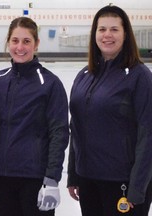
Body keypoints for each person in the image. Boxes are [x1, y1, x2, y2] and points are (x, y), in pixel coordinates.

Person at [67, 4, 152, 216]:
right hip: (88, 180)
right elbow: (76, 127)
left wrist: (137, 187)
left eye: (114, 29)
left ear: (125, 34)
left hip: (123, 182)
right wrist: (73, 174)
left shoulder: (139, 76)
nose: (107, 35)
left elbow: (148, 134)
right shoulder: (84, 75)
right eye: (101, 29)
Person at [0, 17, 69, 216]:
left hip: (35, 178)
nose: (20, 47)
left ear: (36, 44)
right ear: (8, 42)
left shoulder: (50, 83)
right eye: (15, 41)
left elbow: (59, 133)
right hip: (2, 177)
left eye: (26, 41)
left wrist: (51, 179)